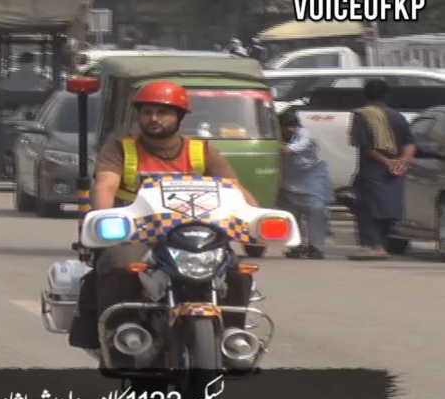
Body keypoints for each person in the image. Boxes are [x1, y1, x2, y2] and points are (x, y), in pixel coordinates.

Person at [70, 81, 260, 348]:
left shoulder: (202, 151)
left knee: (237, 272)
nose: (154, 119)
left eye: (163, 112)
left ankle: (231, 337)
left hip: (195, 236)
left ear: (179, 117)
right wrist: (104, 219)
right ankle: (121, 332)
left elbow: (236, 189)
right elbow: (106, 185)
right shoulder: (120, 149)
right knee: (119, 265)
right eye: (147, 112)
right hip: (137, 234)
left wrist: (256, 221)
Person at [347, 79, 416, 260]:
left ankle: (376, 246)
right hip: (395, 172)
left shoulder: (361, 115)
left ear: (365, 94)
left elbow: (365, 147)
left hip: (373, 170)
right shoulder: (397, 116)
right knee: (389, 208)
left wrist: (387, 162)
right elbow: (409, 143)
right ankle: (381, 244)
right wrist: (402, 162)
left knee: (367, 208)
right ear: (387, 95)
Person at [277, 109, 332, 259]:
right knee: (291, 213)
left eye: (293, 126)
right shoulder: (277, 136)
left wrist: (281, 146)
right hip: (288, 180)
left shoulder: (304, 135)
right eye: (286, 127)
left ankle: (316, 247)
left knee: (316, 209)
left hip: (311, 178)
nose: (290, 130)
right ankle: (296, 245)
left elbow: (291, 149)